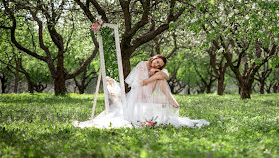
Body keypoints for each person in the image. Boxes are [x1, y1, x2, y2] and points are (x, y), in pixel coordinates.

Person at [74, 55, 209, 129]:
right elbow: (138, 83)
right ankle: (170, 98)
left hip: (146, 91)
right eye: (156, 62)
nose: (156, 65)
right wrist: (153, 77)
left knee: (161, 79)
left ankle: (169, 98)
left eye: (159, 65)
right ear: (154, 57)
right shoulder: (141, 64)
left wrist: (155, 73)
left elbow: (166, 76)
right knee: (160, 79)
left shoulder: (155, 70)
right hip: (138, 92)